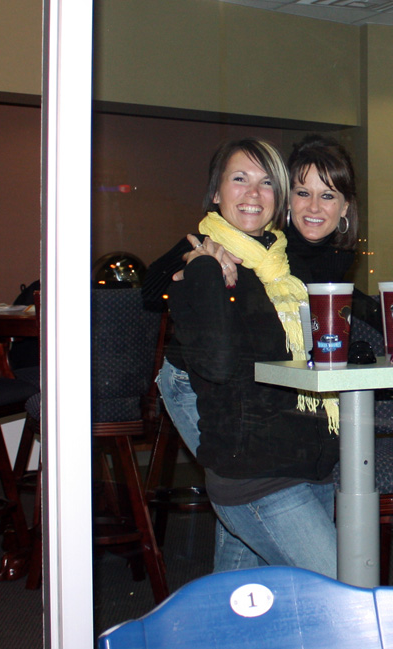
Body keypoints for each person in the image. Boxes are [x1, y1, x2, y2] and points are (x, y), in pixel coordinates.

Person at [144, 138, 342, 576]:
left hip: (283, 430)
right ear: (215, 192)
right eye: (240, 179)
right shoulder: (211, 249)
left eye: (266, 182)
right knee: (335, 585)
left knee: (246, 579)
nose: (253, 192)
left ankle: (226, 614)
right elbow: (154, 289)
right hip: (207, 394)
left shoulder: (280, 256)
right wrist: (198, 262)